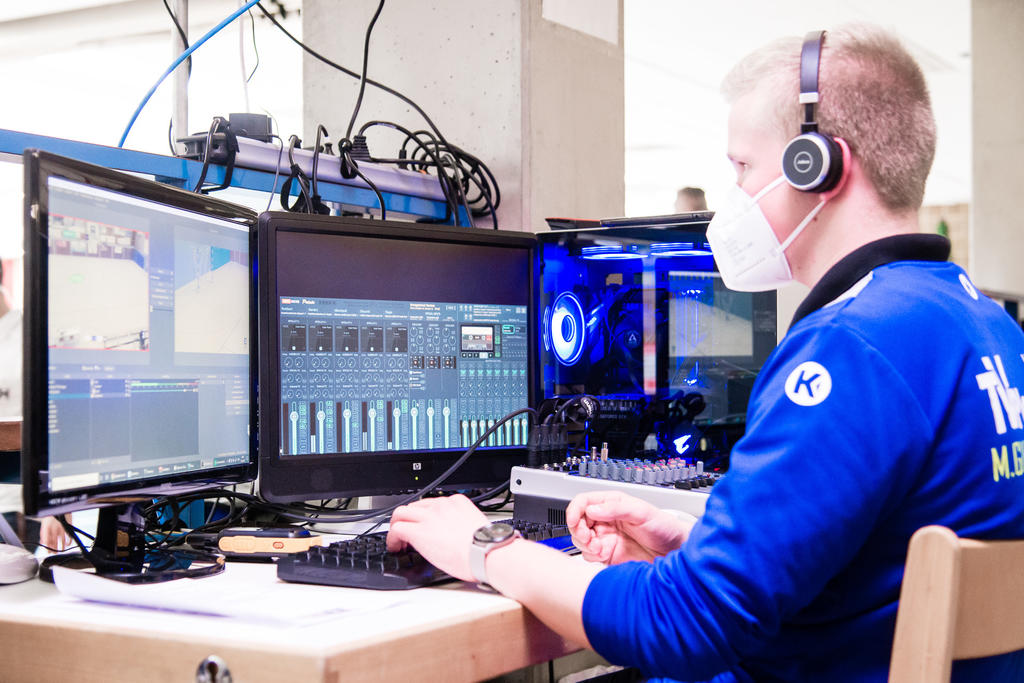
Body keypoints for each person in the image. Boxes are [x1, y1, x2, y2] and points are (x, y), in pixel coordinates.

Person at [385, 25, 1024, 682]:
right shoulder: (985, 327)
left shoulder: (849, 349)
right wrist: (695, 545)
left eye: (743, 167)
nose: (735, 196)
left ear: (816, 165)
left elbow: (683, 626)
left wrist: (485, 545)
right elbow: (877, 564)